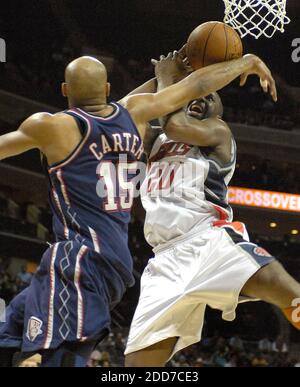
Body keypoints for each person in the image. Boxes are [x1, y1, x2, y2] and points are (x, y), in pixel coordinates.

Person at [0, 53, 275, 367]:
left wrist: (168, 71)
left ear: (64, 90)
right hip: (112, 264)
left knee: (59, 358)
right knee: (9, 334)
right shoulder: (133, 114)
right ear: (106, 87)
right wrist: (245, 63)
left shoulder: (51, 126)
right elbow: (194, 85)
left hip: (78, 260)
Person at [124, 57, 300, 366]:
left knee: (282, 288)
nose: (200, 98)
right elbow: (127, 111)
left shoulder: (218, 133)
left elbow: (174, 123)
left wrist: (171, 80)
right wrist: (163, 78)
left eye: (208, 94)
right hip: (163, 261)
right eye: (194, 93)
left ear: (218, 110)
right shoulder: (155, 141)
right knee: (136, 367)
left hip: (208, 241)